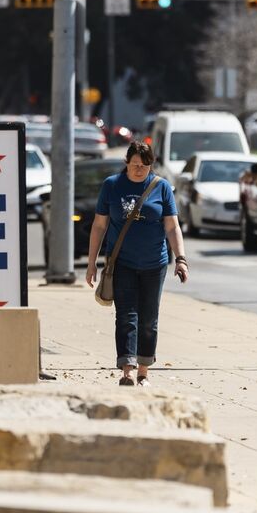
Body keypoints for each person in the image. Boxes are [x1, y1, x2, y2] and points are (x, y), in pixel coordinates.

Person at [84, 141, 188, 387]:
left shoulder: (161, 187)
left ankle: (144, 371)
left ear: (151, 165)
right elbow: (99, 226)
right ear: (126, 164)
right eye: (135, 165)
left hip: (155, 263)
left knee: (149, 319)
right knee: (126, 316)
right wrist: (91, 264)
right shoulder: (112, 186)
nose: (139, 170)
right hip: (123, 263)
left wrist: (181, 259)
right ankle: (127, 370)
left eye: (144, 166)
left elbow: (172, 226)